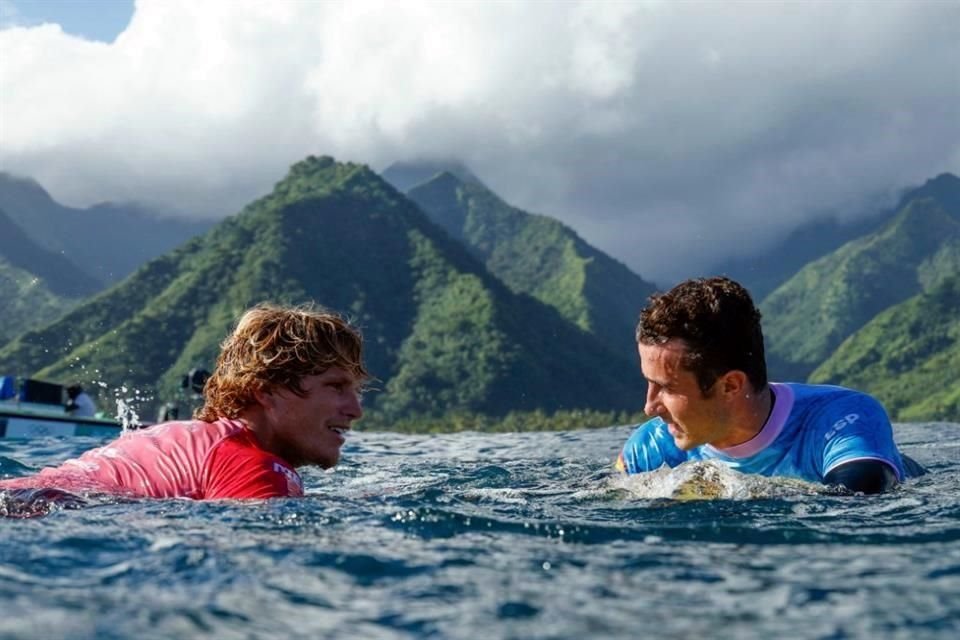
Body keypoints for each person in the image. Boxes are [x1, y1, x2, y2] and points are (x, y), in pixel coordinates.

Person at [0, 303, 367, 500]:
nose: (355, 409)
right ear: (266, 390)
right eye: (336, 387)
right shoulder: (254, 468)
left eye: (355, 390)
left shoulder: (180, 437)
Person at [616, 276, 921, 494]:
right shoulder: (650, 448)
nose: (649, 407)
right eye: (649, 383)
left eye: (667, 388)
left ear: (730, 386)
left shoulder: (841, 421)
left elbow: (861, 506)